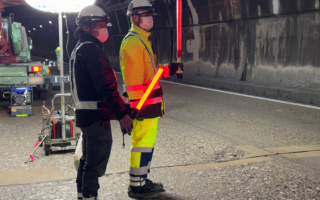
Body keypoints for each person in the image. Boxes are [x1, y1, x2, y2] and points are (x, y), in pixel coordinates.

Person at [120, 0, 184, 198]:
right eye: (145, 14)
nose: (150, 18)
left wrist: (170, 69)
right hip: (143, 107)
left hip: (149, 106)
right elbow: (133, 81)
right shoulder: (133, 42)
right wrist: (137, 107)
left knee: (146, 146)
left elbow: (152, 73)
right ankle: (136, 187)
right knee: (141, 146)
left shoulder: (143, 40)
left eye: (150, 14)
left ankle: (142, 180)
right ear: (134, 17)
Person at [70, 5, 133, 200]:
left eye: (104, 25)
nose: (103, 28)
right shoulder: (92, 51)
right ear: (86, 27)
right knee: (95, 162)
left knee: (87, 160)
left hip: (85, 115)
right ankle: (90, 196)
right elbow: (106, 86)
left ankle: (82, 195)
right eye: (99, 25)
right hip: (96, 117)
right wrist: (122, 115)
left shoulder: (79, 48)